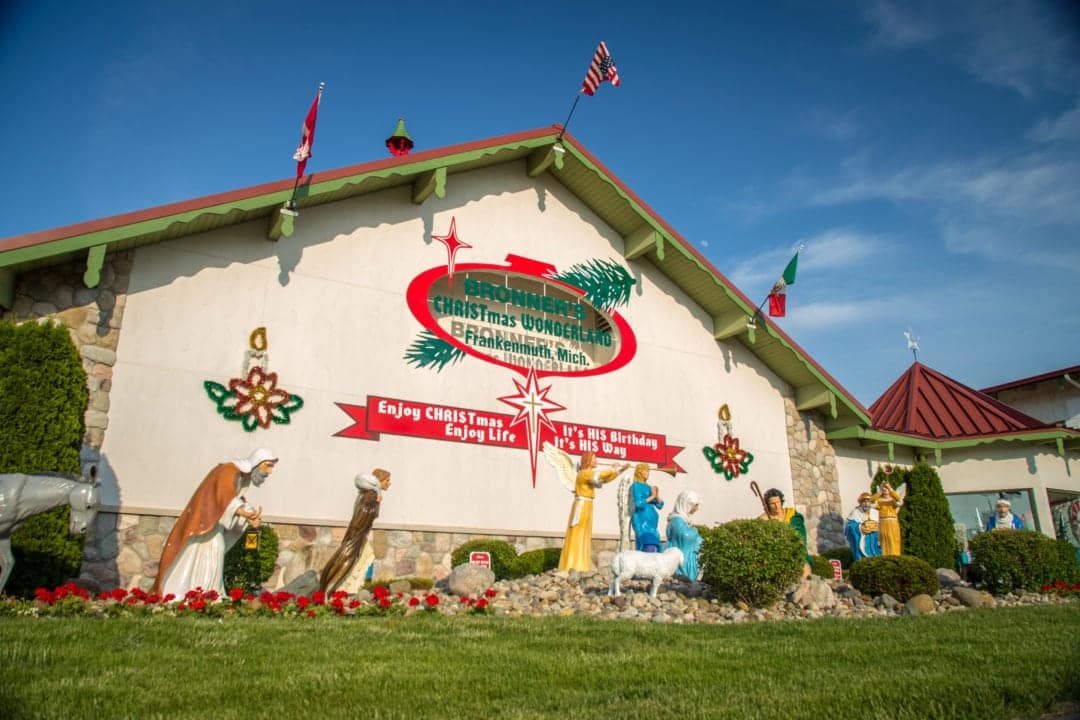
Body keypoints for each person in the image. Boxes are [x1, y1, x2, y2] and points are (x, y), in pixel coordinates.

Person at [152, 448, 277, 598]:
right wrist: (245, 513)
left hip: (212, 524)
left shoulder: (241, 476)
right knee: (210, 549)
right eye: (268, 466)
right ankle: (195, 593)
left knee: (212, 551)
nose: (269, 472)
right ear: (258, 462)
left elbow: (237, 499)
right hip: (203, 523)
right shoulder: (228, 470)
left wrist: (250, 515)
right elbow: (224, 497)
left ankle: (205, 593)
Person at [319, 469, 392, 594]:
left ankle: (326, 588)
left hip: (358, 532)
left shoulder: (368, 494)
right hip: (358, 533)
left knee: (345, 557)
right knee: (347, 559)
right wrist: (375, 506)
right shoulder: (371, 495)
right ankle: (328, 591)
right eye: (387, 480)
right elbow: (364, 513)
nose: (389, 483)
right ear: (378, 482)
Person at [558, 452, 628, 572]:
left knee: (585, 533)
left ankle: (581, 563)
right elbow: (599, 475)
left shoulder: (588, 474)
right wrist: (612, 468)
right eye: (594, 459)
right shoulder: (584, 473)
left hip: (588, 505)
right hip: (582, 505)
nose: (597, 461)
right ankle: (572, 564)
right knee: (578, 532)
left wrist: (619, 470)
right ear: (588, 461)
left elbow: (604, 480)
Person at [759, 487, 810, 578]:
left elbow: (800, 533)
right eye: (772, 504)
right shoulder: (763, 519)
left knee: (804, 569)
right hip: (775, 553)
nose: (776, 506)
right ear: (767, 505)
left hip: (794, 550)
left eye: (778, 502)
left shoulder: (791, 514)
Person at [664, 490, 702, 581]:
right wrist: (695, 531)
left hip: (686, 557)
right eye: (695, 505)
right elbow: (685, 536)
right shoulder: (676, 520)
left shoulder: (682, 520)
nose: (697, 509)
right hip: (681, 561)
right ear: (687, 504)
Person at [630, 463, 664, 552]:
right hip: (642, 519)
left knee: (655, 545)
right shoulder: (636, 485)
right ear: (640, 472)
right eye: (646, 471)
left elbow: (660, 505)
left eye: (648, 471)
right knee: (647, 544)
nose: (648, 473)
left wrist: (657, 495)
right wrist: (652, 496)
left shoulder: (649, 487)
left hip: (652, 521)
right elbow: (639, 503)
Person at [844, 492, 882, 561]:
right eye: (864, 502)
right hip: (862, 541)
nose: (866, 504)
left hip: (875, 541)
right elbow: (848, 527)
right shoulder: (856, 512)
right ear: (860, 503)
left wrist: (878, 529)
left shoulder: (875, 512)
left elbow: (882, 525)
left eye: (868, 502)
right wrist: (860, 528)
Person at [873, 480, 903, 556]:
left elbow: (899, 500)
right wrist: (879, 492)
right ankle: (885, 556)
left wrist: (891, 489)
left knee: (892, 540)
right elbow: (871, 501)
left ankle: (894, 556)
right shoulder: (879, 501)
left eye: (887, 488)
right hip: (883, 522)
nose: (885, 489)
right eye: (884, 488)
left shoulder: (893, 500)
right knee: (884, 540)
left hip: (892, 523)